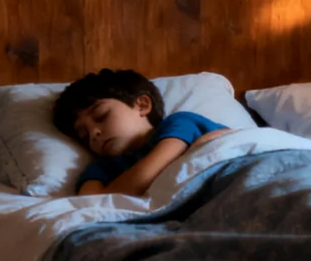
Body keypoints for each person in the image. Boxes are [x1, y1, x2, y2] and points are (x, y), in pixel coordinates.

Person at [52, 69, 232, 197]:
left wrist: (112, 190)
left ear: (142, 105)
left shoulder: (179, 122)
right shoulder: (102, 167)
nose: (93, 134)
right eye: (84, 135)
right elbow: (91, 204)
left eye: (101, 116)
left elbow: (149, 172)